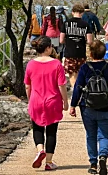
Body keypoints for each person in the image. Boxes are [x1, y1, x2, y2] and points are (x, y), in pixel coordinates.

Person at [69, 39, 108, 175]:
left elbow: (77, 88)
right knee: (104, 135)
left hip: (88, 107)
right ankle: (103, 157)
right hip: (107, 106)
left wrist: (73, 105)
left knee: (91, 135)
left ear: (90, 53)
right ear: (104, 52)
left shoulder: (84, 68)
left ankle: (93, 164)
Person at [24, 37, 68, 170]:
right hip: (52, 101)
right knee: (51, 131)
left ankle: (40, 150)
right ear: (48, 48)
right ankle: (49, 162)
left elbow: (27, 85)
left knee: (37, 128)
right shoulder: (56, 64)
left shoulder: (30, 64)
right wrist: (65, 101)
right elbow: (61, 85)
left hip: (36, 101)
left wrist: (30, 99)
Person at [61, 4, 94, 89]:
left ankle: (75, 92)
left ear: (72, 12)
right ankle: (80, 90)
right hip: (81, 52)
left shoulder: (66, 23)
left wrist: (68, 41)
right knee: (80, 73)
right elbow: (90, 41)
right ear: (82, 13)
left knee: (72, 74)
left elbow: (61, 40)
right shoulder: (85, 24)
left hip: (69, 52)